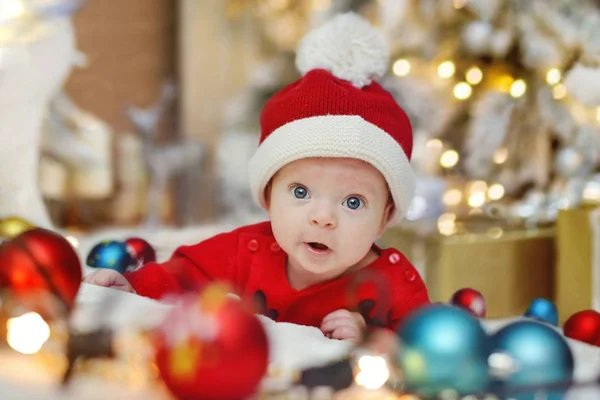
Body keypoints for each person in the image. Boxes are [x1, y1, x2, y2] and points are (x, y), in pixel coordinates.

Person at [84, 12, 430, 343]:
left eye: (353, 202)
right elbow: (185, 273)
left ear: (384, 218)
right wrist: (134, 286)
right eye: (300, 191)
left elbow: (424, 346)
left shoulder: (394, 284)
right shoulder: (249, 250)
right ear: (267, 196)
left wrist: (372, 337)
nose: (322, 217)